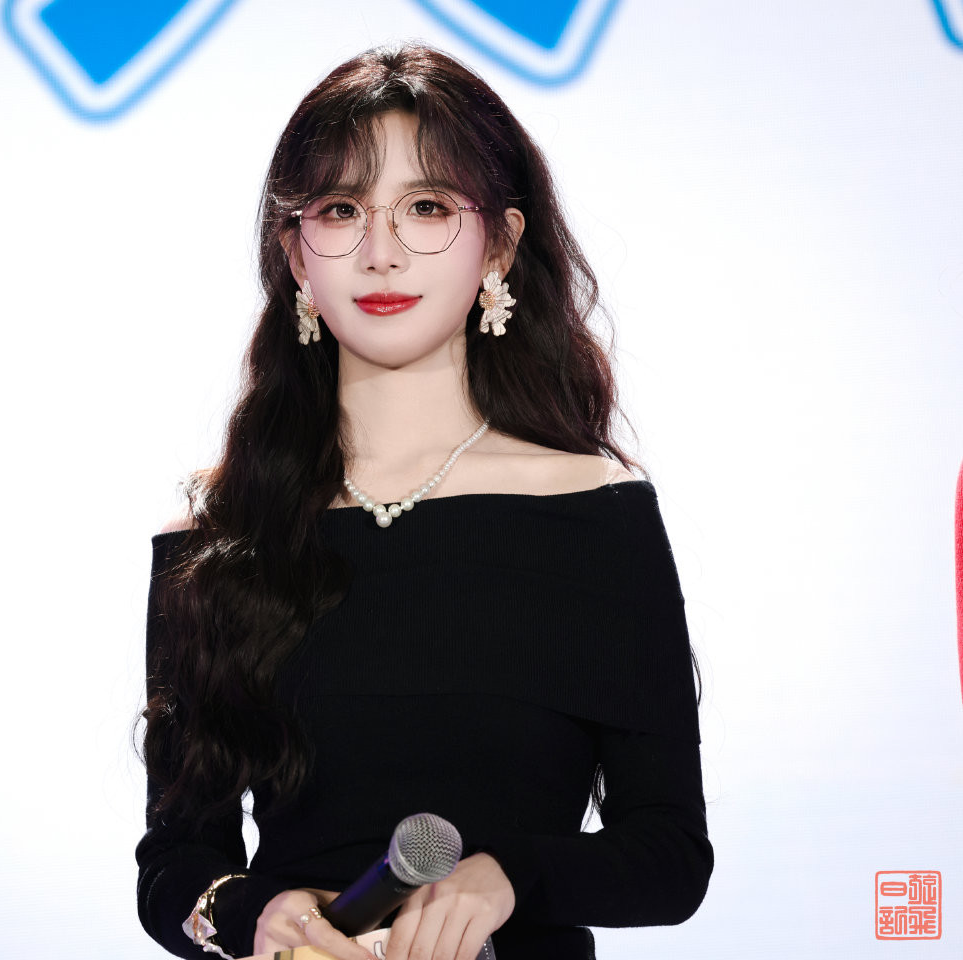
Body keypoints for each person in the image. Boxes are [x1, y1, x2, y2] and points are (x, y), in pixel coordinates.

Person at [135, 43, 712, 960]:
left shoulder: (595, 513)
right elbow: (174, 868)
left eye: (427, 207)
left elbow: (670, 857)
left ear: (501, 244)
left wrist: (505, 875)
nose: (381, 253)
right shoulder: (219, 539)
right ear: (294, 254)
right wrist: (256, 915)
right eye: (339, 211)